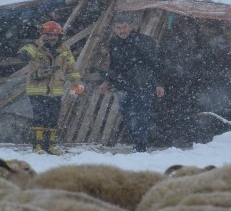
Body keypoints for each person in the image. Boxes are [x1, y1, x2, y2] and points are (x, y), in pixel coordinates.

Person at [96, 12, 165, 152]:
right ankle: (137, 144)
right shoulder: (114, 43)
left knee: (140, 118)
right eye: (118, 27)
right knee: (128, 118)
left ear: (132, 26)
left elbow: (155, 64)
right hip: (123, 86)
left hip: (143, 85)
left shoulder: (144, 41)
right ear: (114, 29)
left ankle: (140, 148)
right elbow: (114, 66)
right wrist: (106, 82)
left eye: (124, 26)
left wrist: (159, 83)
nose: (122, 31)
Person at [17, 20, 83, 155]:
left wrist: (76, 81)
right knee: (40, 117)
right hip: (37, 89)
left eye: (55, 35)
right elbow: (22, 56)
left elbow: (72, 67)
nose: (53, 38)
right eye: (48, 34)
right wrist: (38, 43)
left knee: (52, 118)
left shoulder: (64, 49)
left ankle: (50, 146)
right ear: (42, 34)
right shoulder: (34, 47)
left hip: (56, 90)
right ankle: (37, 146)